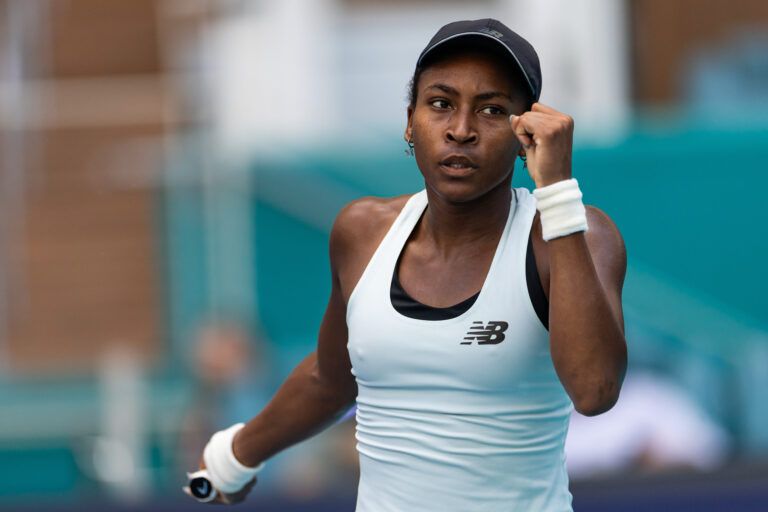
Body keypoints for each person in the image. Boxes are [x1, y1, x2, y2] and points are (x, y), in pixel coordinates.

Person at [185, 18, 628, 511]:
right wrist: (233, 457)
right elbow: (332, 378)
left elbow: (595, 391)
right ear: (409, 121)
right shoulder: (361, 231)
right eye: (440, 104)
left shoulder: (572, 232)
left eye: (492, 110)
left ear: (526, 131)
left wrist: (557, 192)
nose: (461, 130)